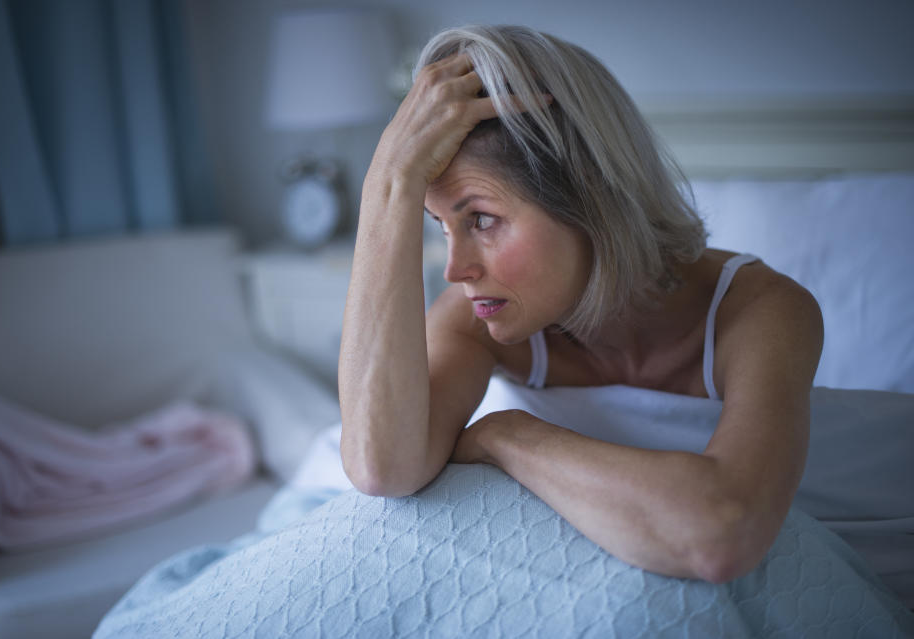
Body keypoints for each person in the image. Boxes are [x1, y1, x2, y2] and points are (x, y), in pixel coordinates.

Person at [338, 24, 823, 584]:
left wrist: (508, 434)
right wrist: (388, 181)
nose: (455, 271)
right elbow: (381, 467)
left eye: (482, 219)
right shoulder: (474, 316)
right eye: (441, 226)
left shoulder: (761, 309)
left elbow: (720, 536)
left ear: (590, 198)